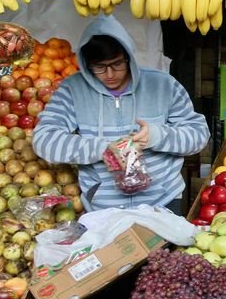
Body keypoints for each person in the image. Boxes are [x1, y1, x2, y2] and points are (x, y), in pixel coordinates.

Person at [33, 15, 210, 215]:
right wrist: (101, 149)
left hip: (162, 203)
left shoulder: (163, 85)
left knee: (164, 248)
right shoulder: (73, 89)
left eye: (117, 64)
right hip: (102, 210)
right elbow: (44, 141)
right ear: (86, 63)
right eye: (99, 67)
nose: (109, 74)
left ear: (129, 58)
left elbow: (199, 135)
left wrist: (156, 136)